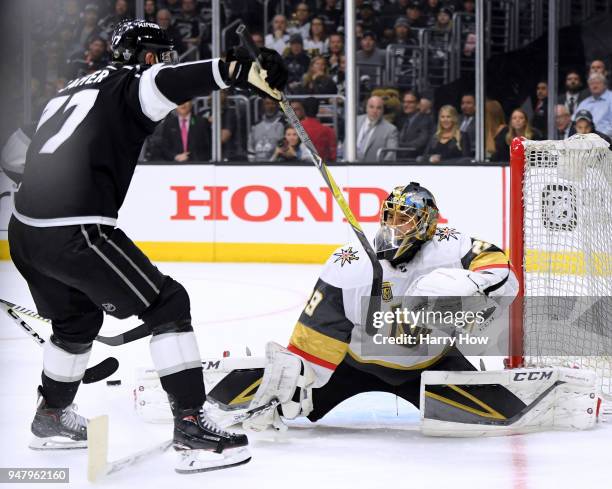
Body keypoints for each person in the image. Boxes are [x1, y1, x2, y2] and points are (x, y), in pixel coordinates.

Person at [8, 19, 287, 472]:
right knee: (169, 304)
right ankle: (193, 430)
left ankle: (52, 417)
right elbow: (169, 82)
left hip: (24, 231)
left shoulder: (65, 92)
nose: (165, 61)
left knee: (76, 321)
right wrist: (237, 71)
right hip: (75, 229)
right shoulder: (129, 84)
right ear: (148, 57)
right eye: (161, 54)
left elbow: (13, 152)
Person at [241, 182, 518, 432]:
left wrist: (470, 288)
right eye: (390, 217)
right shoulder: (350, 262)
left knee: (505, 415)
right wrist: (294, 383)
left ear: (427, 224)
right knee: (283, 401)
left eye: (405, 220)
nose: (394, 226)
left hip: (432, 364)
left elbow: (498, 266)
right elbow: (317, 334)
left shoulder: (450, 246)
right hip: (353, 366)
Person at [356, 95, 398, 161]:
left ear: (383, 110)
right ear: (366, 108)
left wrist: (380, 169)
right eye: (371, 107)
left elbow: (391, 155)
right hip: (350, 166)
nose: (374, 111)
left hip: (374, 169)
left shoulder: (390, 130)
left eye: (378, 108)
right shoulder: (355, 121)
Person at [397, 91, 433, 158]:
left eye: (410, 102)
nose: (405, 105)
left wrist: (398, 145)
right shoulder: (403, 121)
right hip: (400, 159)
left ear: (418, 105)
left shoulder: (425, 120)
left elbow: (420, 143)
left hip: (415, 161)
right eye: (404, 102)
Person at [575, 72, 612, 137]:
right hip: (584, 140)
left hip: (607, 140)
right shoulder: (584, 103)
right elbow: (574, 123)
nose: (594, 86)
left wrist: (598, 136)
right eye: (591, 83)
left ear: (605, 84)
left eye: (597, 83)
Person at [300, 97, 337, 162]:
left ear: (303, 110)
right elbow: (333, 156)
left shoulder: (296, 127)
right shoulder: (328, 131)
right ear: (317, 110)